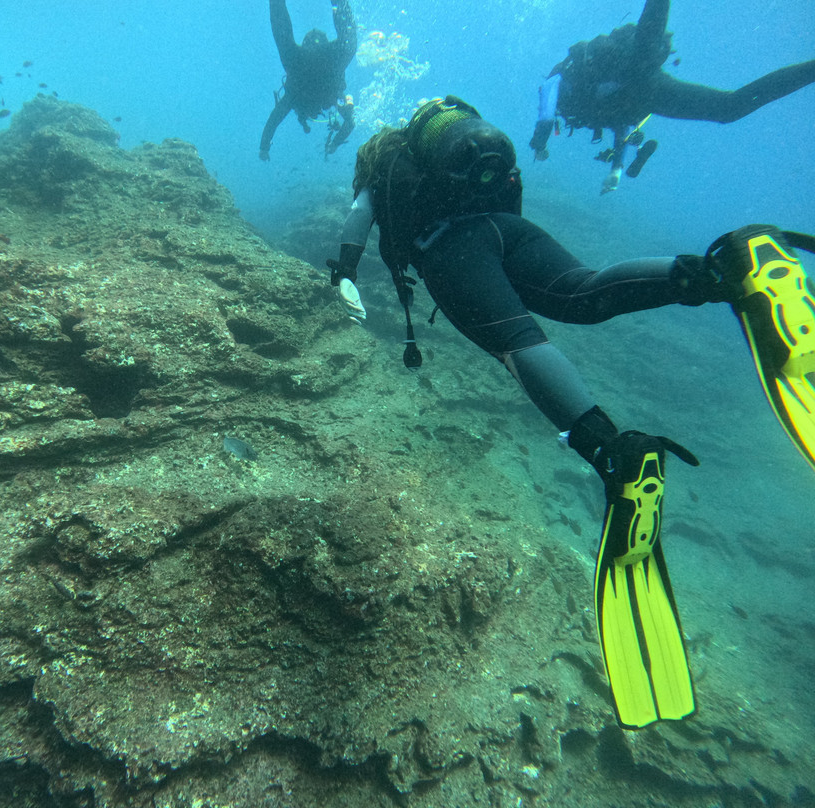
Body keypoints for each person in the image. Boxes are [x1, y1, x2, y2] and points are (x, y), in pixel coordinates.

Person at [325, 95, 815, 729]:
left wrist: (342, 271)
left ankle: (612, 452)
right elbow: (516, 206)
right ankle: (722, 270)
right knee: (584, 291)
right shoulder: (467, 157)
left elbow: (359, 218)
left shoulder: (385, 164)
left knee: (517, 343)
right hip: (507, 230)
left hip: (450, 250)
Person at [530, 0, 815, 193]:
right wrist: (616, 170)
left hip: (633, 74)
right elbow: (619, 122)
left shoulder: (559, 78)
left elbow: (546, 109)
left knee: (647, 45)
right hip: (647, 92)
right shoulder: (582, 102)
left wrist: (539, 144)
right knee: (728, 108)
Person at [260, 0, 357, 161]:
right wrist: (334, 143)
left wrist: (264, 147)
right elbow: (274, 119)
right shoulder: (332, 96)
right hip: (313, 65)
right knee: (281, 33)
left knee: (350, 44)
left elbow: (275, 118)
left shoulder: (293, 97)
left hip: (312, 66)